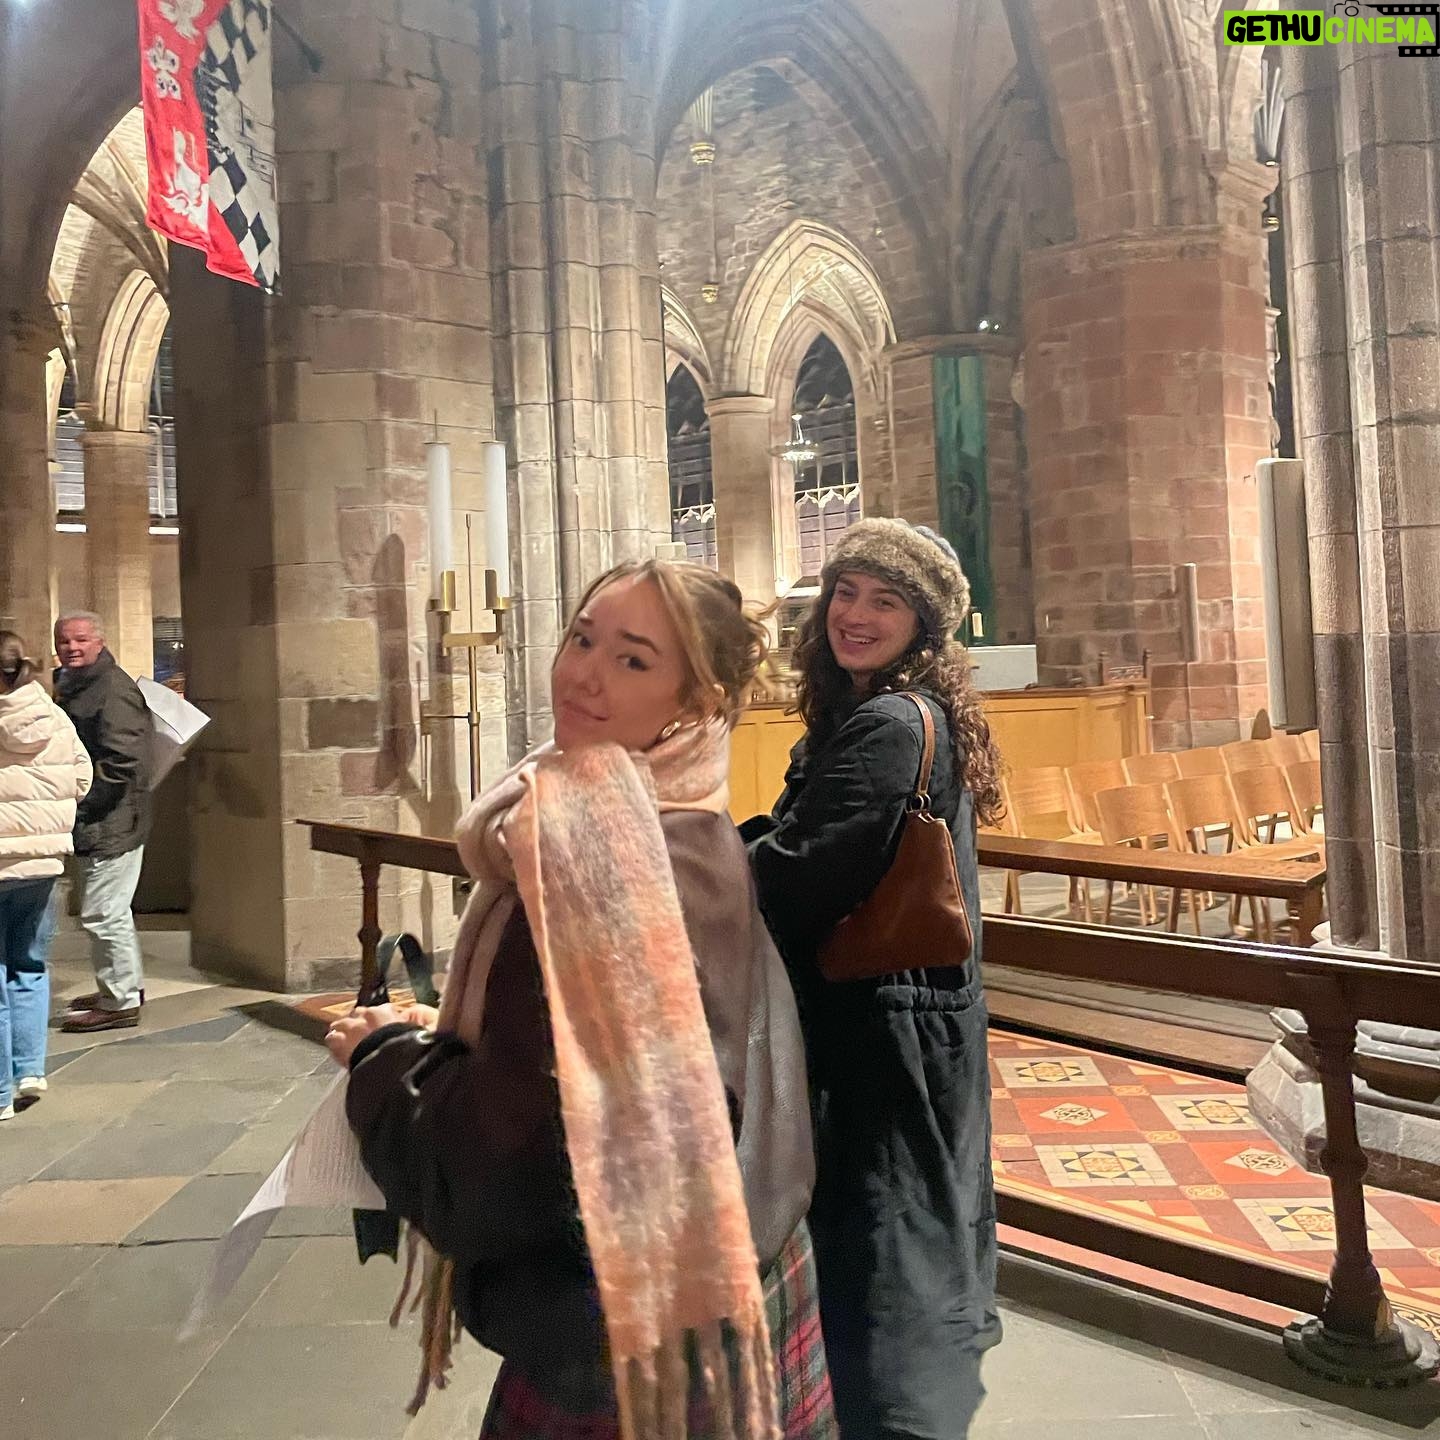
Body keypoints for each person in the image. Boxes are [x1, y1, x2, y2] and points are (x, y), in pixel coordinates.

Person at [327, 560, 835, 1440]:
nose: (584, 675)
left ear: (696, 700)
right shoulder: (677, 813)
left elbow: (519, 1156)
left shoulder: (600, 855)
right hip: (720, 1261)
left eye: (633, 659)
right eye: (582, 638)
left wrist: (381, 1063)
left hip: (627, 1309)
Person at [744, 519, 1005, 1440]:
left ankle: (888, 1418)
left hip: (882, 1024)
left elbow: (807, 873)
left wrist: (700, 864)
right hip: (906, 1009)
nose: (855, 615)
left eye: (884, 601)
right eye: (846, 593)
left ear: (922, 624)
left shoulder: (891, 723)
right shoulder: (882, 711)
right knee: (909, 1225)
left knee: (884, 1238)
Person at [0, 633, 92, 1118]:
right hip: (41, 864)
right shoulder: (54, 717)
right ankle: (30, 1069)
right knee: (29, 965)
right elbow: (82, 778)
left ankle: (0, 1092)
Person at [52, 611, 151, 1033]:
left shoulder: (111, 690)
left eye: (80, 640)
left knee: (103, 913)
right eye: (64, 641)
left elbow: (121, 761)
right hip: (101, 819)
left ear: (100, 641)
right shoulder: (76, 683)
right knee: (109, 912)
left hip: (113, 819)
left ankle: (119, 1001)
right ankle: (124, 987)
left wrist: (81, 805)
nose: (71, 648)